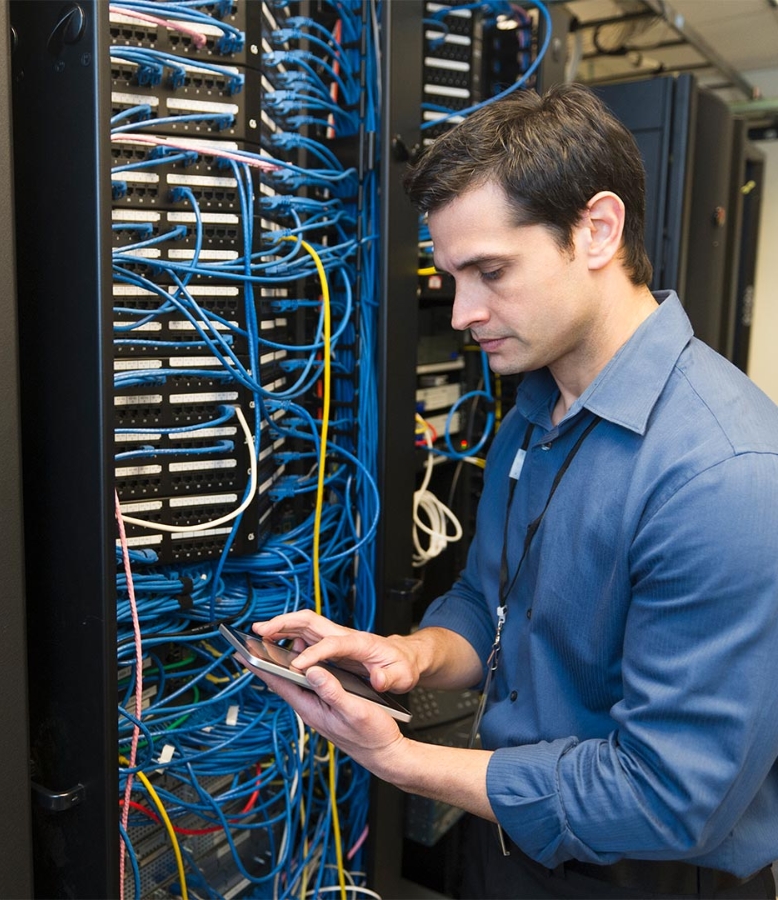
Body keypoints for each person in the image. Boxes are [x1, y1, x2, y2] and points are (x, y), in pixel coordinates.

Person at [248, 83, 778, 899]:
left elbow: (668, 798)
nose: (463, 312)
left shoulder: (724, 472)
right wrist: (407, 657)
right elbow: (488, 603)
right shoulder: (536, 412)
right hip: (507, 836)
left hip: (643, 876)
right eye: (453, 277)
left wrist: (401, 759)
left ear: (597, 231)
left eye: (490, 272)